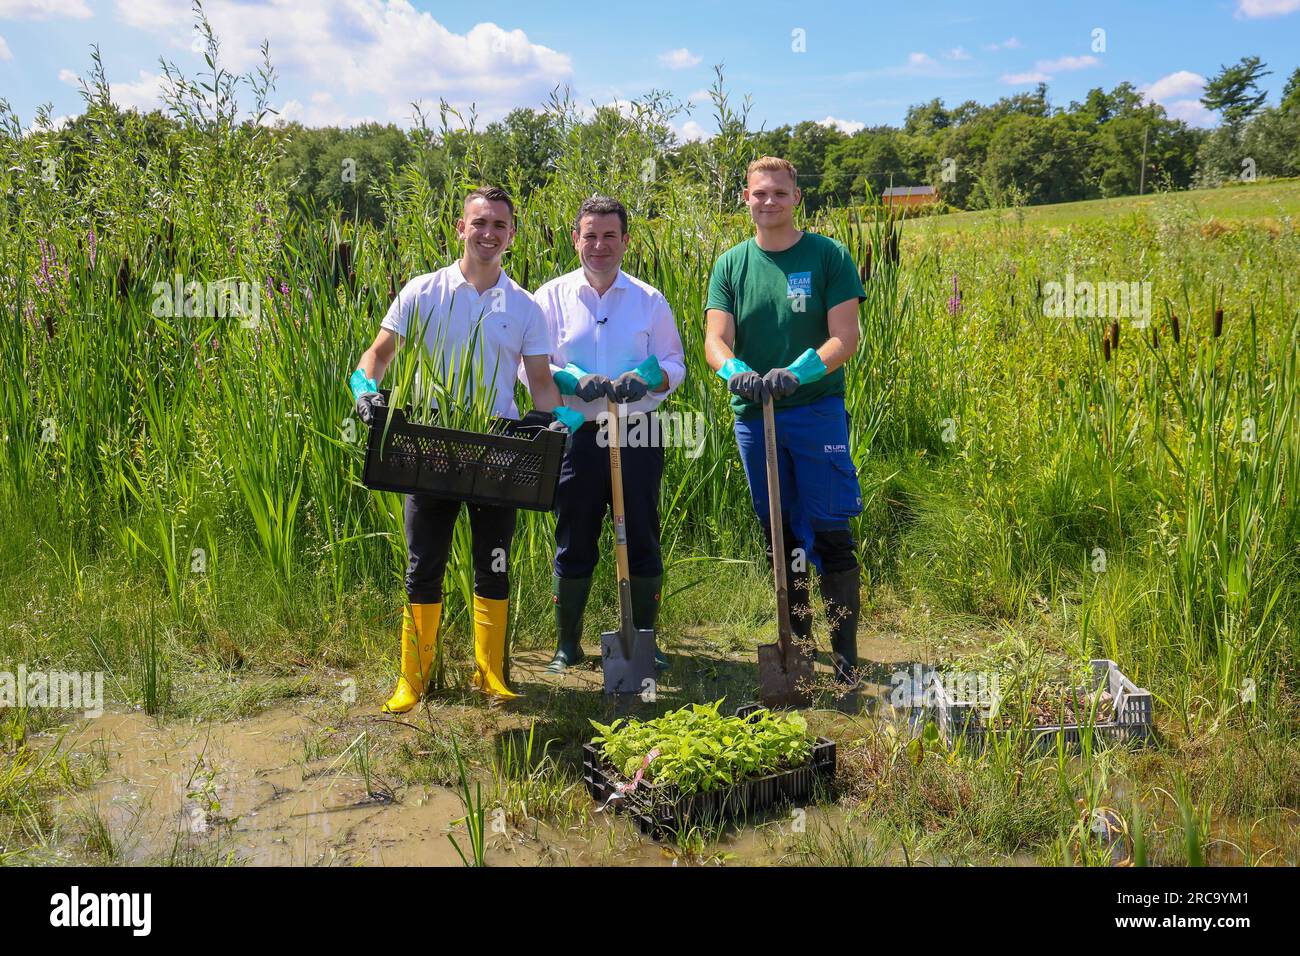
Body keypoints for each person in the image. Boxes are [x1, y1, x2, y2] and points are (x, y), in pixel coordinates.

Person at [349, 186, 583, 713]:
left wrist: (559, 417)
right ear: (461, 228)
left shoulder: (524, 307)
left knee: (493, 560)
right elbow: (378, 354)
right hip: (430, 441)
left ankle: (489, 674)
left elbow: (541, 382)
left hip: (497, 444)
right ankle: (414, 679)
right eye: (479, 223)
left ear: (512, 236)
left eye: (499, 225)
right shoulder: (422, 292)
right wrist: (364, 388)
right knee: (422, 559)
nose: (488, 233)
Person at [704, 157, 866, 685]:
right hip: (756, 415)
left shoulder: (827, 256)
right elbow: (715, 338)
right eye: (758, 193)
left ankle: (845, 654)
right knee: (779, 532)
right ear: (745, 199)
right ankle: (797, 643)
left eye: (778, 192)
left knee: (829, 527)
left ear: (797, 197)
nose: (768, 201)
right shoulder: (731, 265)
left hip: (815, 413)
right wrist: (736, 372)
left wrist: (799, 371)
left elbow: (846, 336)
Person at [532, 195, 686, 673]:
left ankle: (644, 641)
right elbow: (532, 365)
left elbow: (675, 364)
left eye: (609, 236)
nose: (599, 245)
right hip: (575, 430)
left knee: (641, 533)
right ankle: (567, 646)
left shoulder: (649, 300)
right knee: (574, 535)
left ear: (626, 241)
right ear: (576, 238)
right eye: (590, 235)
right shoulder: (549, 297)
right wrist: (571, 380)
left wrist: (648, 379)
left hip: (636, 430)